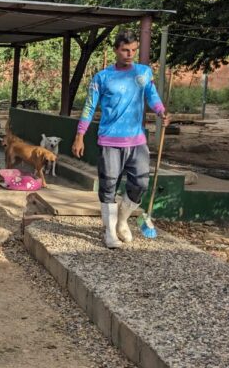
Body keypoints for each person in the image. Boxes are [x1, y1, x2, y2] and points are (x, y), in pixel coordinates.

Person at [71, 29, 170, 249]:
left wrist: (161, 111)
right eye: (125, 50)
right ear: (116, 50)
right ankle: (109, 232)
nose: (129, 54)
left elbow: (151, 96)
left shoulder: (143, 73)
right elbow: (89, 107)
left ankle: (122, 221)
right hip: (109, 141)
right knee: (108, 186)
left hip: (137, 141)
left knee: (140, 184)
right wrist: (80, 136)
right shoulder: (102, 77)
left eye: (133, 50)